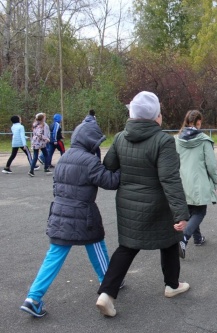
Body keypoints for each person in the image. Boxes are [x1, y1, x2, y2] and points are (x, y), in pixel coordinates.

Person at [96, 91, 190, 317]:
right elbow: (170, 179)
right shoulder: (163, 140)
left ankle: (106, 294)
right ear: (156, 117)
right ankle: (172, 285)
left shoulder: (119, 137)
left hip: (128, 203)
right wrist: (181, 213)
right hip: (158, 203)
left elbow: (109, 166)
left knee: (127, 247)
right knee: (169, 240)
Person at [19, 118, 121, 318]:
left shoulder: (64, 158)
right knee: (97, 246)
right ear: (90, 141)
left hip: (59, 212)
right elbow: (110, 181)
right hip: (84, 214)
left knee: (54, 256)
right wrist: (121, 168)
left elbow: (56, 186)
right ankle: (108, 281)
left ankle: (33, 298)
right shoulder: (90, 161)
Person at [175, 110, 217, 259]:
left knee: (192, 210)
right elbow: (211, 165)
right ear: (198, 122)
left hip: (182, 181)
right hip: (199, 182)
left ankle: (198, 238)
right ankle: (184, 238)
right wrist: (215, 180)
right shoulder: (204, 140)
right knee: (199, 212)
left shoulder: (176, 139)